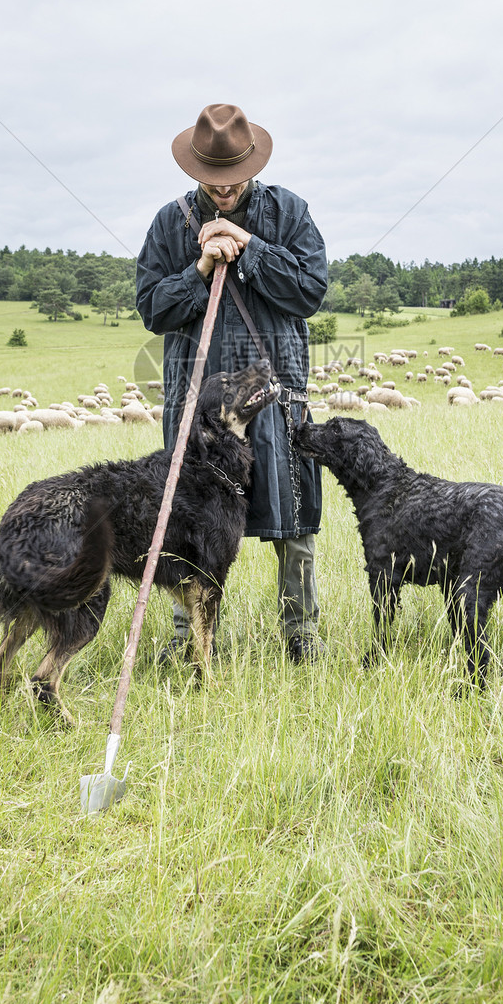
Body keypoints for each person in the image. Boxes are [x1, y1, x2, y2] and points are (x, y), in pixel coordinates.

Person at [136, 103, 328, 663]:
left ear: (252, 163)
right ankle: (184, 635)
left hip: (272, 394)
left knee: (291, 512)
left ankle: (301, 631)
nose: (222, 190)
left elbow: (309, 292)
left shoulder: (288, 212)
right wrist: (197, 270)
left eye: (232, 179)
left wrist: (251, 248)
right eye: (211, 180)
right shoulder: (170, 224)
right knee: (187, 517)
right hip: (197, 403)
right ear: (194, 169)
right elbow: (152, 308)